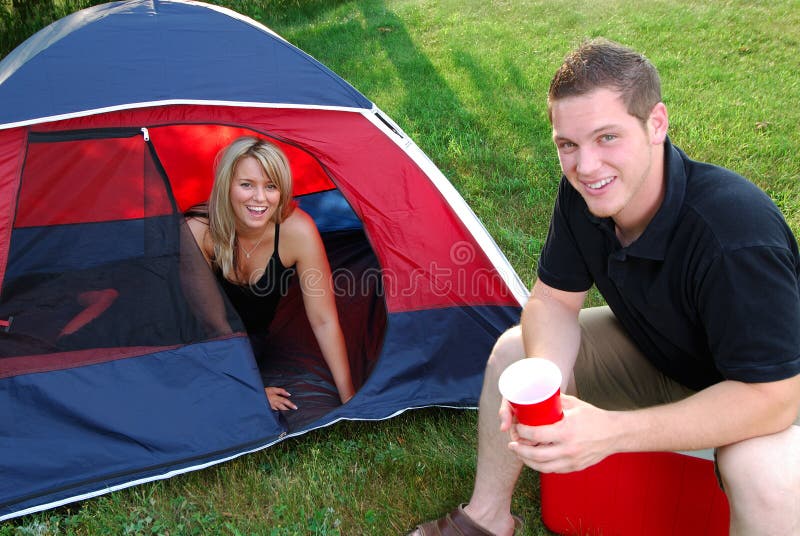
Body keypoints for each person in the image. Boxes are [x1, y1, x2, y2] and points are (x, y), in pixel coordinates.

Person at [411, 38, 800, 536]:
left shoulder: (734, 233)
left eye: (607, 137)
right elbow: (553, 300)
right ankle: (486, 519)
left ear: (656, 123)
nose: (586, 166)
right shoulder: (585, 196)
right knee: (515, 353)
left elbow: (773, 397)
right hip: (667, 359)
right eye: (567, 145)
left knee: (765, 472)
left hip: (766, 393)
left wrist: (612, 433)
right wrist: (545, 384)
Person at [186, 136, 355, 418]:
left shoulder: (297, 232)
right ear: (227, 185)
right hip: (194, 338)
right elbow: (208, 325)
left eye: (271, 186)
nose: (260, 198)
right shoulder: (199, 230)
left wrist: (349, 396)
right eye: (247, 185)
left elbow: (324, 320)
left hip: (249, 341)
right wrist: (250, 389)